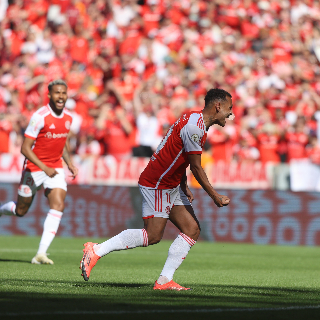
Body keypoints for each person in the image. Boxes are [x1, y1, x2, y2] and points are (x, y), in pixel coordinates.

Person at [80, 88, 233, 290]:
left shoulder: (192, 117)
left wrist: (182, 184)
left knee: (192, 229)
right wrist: (214, 196)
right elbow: (195, 166)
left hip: (170, 182)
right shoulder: (195, 127)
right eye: (229, 109)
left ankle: (164, 281)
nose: (230, 114)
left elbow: (178, 155)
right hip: (158, 183)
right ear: (218, 106)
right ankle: (96, 250)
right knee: (152, 236)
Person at [0, 79, 78, 264]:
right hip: (35, 168)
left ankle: (40, 254)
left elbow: (63, 143)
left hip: (55, 167)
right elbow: (25, 148)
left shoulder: (68, 118)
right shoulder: (40, 116)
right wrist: (44, 167)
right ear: (49, 95)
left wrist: (70, 163)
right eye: (57, 93)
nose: (61, 96)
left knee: (58, 205)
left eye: (64, 93)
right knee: (21, 210)